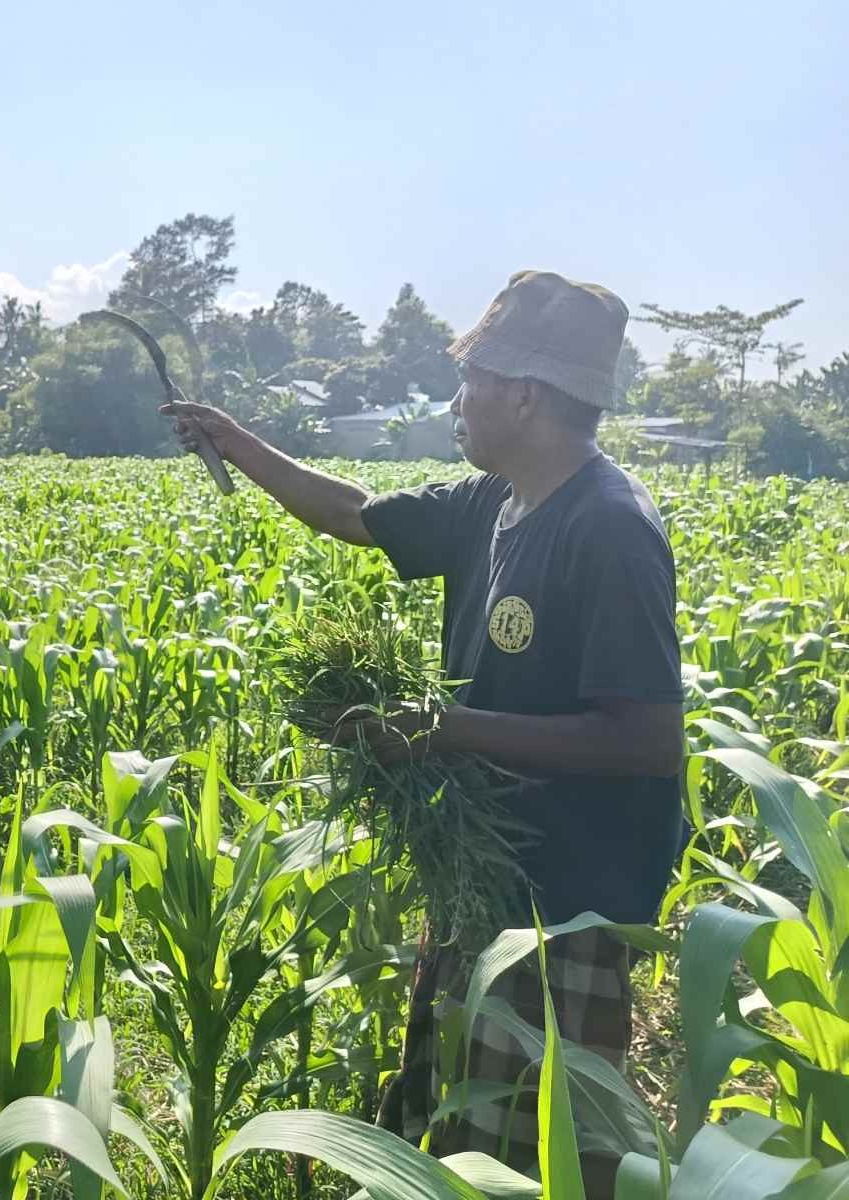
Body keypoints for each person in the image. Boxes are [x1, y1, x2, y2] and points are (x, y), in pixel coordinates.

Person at [164, 270, 683, 1197]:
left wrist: (450, 730)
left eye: (471, 379)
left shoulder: (608, 526)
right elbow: (354, 513)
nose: (457, 401)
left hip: (565, 907)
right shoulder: (494, 505)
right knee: (452, 1117)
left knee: (541, 1152)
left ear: (523, 394)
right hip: (482, 881)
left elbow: (643, 740)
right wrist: (234, 441)